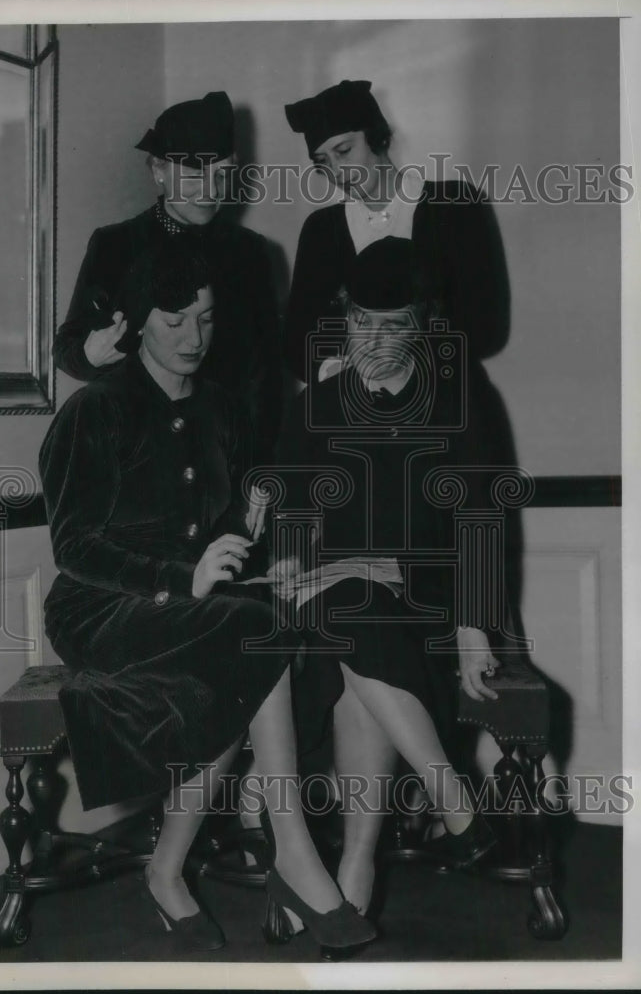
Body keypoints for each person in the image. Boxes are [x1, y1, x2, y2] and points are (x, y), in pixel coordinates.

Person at [39, 234, 376, 959]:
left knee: (254, 642)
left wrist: (242, 537)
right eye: (173, 322)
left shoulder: (222, 407)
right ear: (133, 324)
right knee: (256, 637)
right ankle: (290, 845)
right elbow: (74, 549)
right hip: (101, 608)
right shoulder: (93, 411)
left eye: (207, 318)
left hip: (196, 606)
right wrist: (180, 581)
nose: (194, 337)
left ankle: (167, 871)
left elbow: (221, 521)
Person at [270, 236, 501, 919]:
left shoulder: (458, 395)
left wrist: (470, 626)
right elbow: (290, 506)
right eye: (360, 323)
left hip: (427, 605)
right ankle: (448, 799)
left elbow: (479, 517)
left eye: (392, 326)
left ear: (423, 325)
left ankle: (354, 867)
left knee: (354, 634)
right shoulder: (324, 398)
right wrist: (291, 563)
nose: (372, 340)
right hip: (340, 609)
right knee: (348, 612)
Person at [53, 91, 282, 465]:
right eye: (194, 175)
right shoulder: (115, 244)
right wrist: (89, 354)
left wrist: (258, 472)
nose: (211, 191)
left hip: (225, 456)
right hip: (140, 453)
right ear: (158, 171)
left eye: (223, 174)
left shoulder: (250, 252)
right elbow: (67, 348)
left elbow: (266, 378)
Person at [283, 79, 510, 384]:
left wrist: (400, 370)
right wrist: (344, 376)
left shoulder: (456, 206)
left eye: (344, 151)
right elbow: (299, 345)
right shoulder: (321, 231)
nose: (336, 171)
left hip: (445, 398)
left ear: (378, 139)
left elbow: (486, 329)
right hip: (353, 405)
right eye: (323, 162)